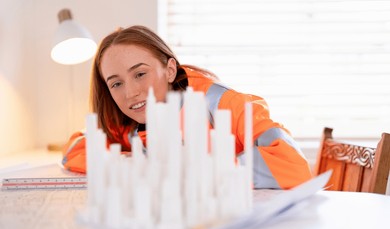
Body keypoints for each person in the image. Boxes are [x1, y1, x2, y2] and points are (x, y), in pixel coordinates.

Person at [62, 25, 312, 189]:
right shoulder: (129, 119)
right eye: (116, 83)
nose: (130, 93)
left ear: (170, 70)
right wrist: (127, 163)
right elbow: (75, 148)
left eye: (140, 74)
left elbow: (293, 165)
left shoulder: (222, 103)